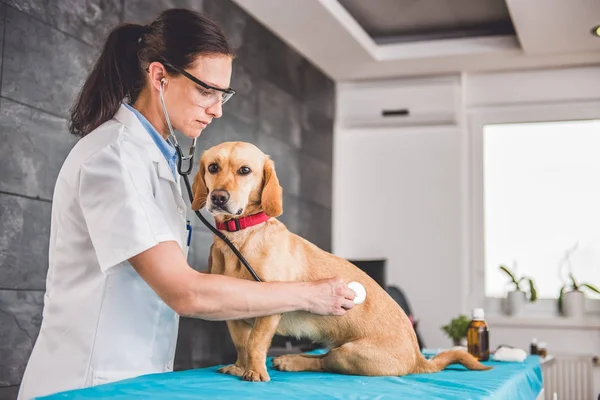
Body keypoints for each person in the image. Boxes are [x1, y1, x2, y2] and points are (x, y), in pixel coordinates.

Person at [18, 8, 355, 400]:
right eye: (206, 90)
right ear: (160, 77)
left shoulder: (153, 159)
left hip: (133, 378)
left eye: (222, 94)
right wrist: (308, 295)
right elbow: (185, 292)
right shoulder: (113, 159)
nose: (218, 108)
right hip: (88, 380)